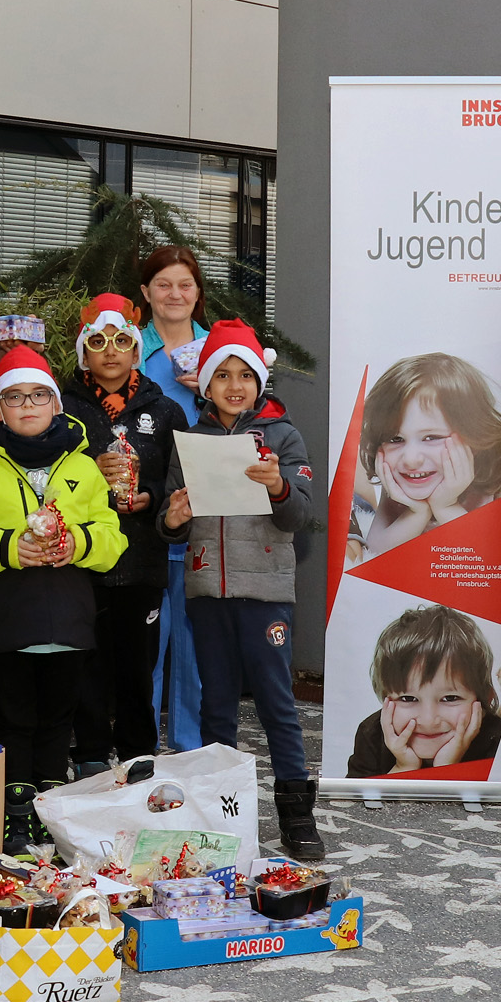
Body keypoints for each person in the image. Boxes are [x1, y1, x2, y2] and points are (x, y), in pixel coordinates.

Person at [158, 320, 324, 862]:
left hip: (266, 591)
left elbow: (300, 514)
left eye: (246, 375)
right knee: (217, 707)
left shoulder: (283, 435)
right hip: (206, 589)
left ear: (260, 380)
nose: (235, 385)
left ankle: (297, 816)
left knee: (277, 703)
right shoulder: (192, 439)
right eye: (222, 375)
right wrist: (176, 518)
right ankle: (219, 815)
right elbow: (169, 519)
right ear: (205, 384)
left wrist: (277, 484)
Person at [0, 346, 126, 829]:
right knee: (12, 722)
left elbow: (112, 538)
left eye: (39, 395)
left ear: (56, 405)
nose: (28, 405)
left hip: (69, 623)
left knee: (57, 723)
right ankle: (14, 815)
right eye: (16, 397)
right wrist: (8, 549)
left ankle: (51, 811)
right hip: (6, 623)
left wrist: (78, 544)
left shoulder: (83, 468)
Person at [59, 294, 188, 771]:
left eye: (120, 341)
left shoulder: (166, 411)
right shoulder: (63, 408)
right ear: (83, 352)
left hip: (141, 560)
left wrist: (151, 496)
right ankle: (90, 754)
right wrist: (91, 469)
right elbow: (48, 476)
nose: (109, 351)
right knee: (86, 664)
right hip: (81, 560)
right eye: (97, 341)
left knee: (138, 667)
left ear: (136, 350)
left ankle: (138, 754)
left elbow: (177, 480)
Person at [135, 245, 212, 748]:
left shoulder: (220, 351)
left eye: (185, 284)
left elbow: (252, 414)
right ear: (145, 293)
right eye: (163, 284)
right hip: (142, 507)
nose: (175, 294)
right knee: (145, 643)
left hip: (204, 504)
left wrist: (208, 387)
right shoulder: (125, 344)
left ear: (198, 293)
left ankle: (190, 746)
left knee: (196, 640)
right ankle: (139, 746)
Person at [353, 352, 501, 564]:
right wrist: (417, 512)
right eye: (395, 439)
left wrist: (446, 506)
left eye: (431, 437)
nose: (411, 459)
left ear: (474, 435)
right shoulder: (403, 481)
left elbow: (496, 562)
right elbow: (374, 554)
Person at [343, 605, 501, 777]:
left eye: (450, 698)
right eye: (408, 698)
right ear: (385, 698)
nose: (428, 720)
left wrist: (446, 769)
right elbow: (353, 801)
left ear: (484, 700)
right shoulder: (371, 735)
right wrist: (403, 768)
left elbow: (495, 799)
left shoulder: (497, 740)